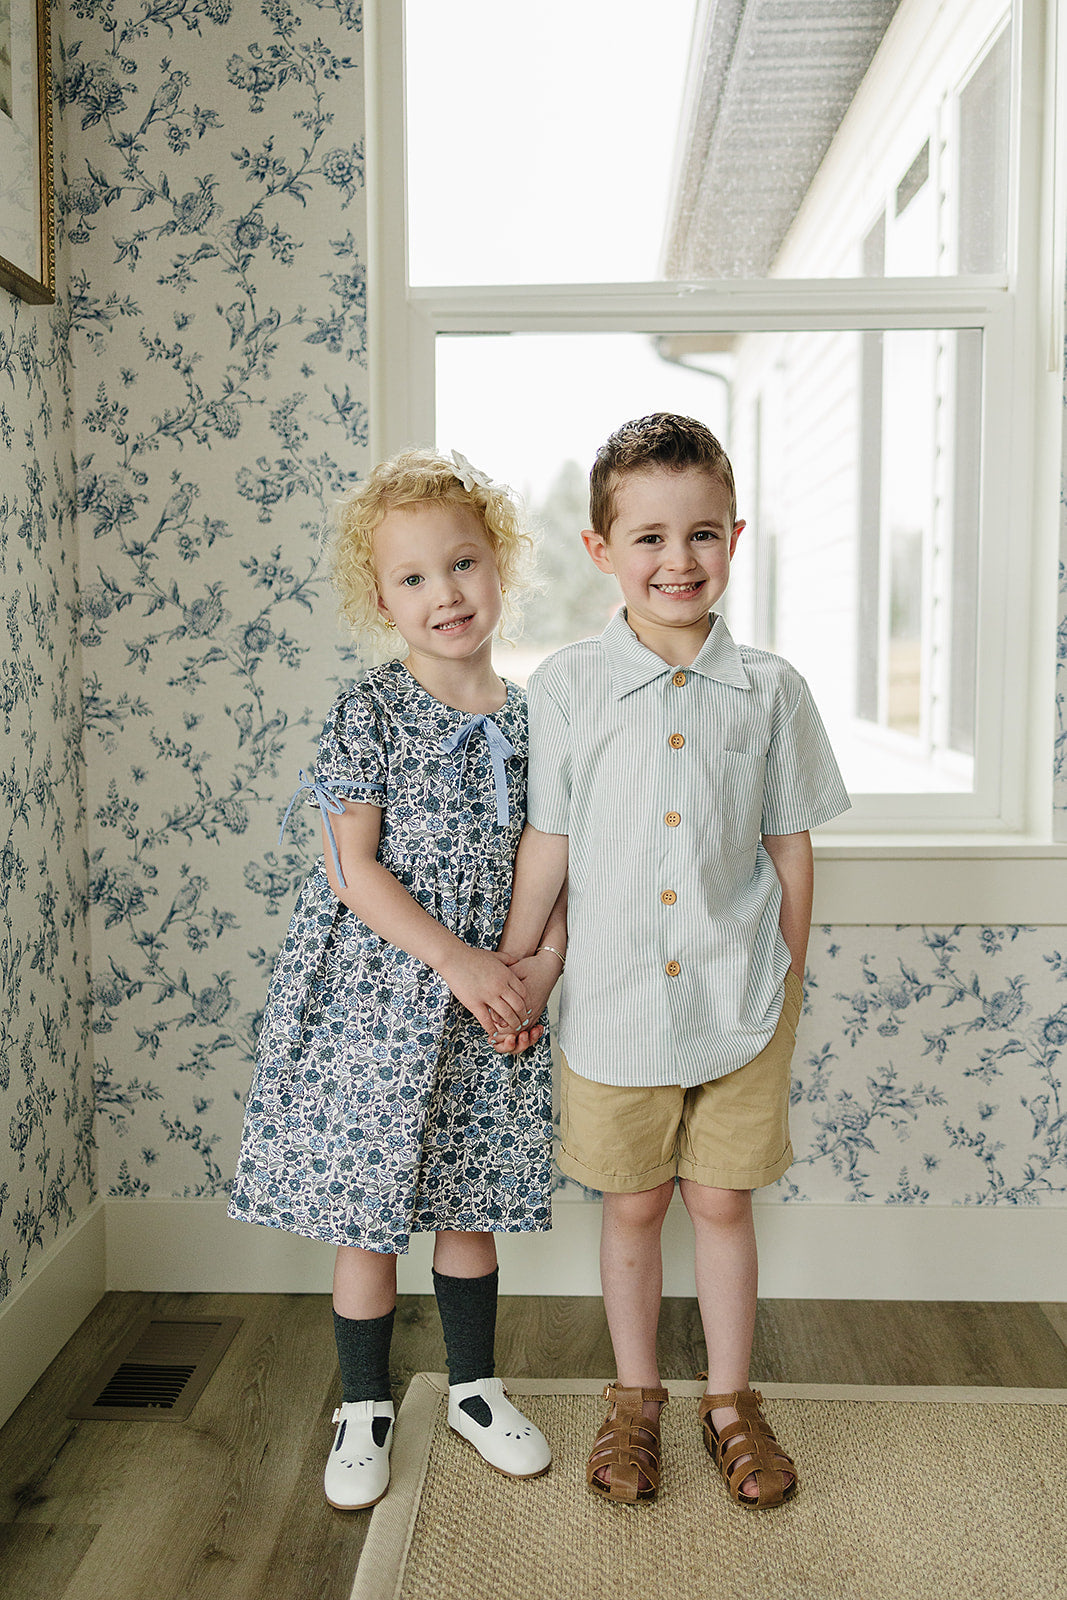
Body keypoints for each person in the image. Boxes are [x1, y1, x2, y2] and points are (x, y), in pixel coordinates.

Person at [497, 413, 849, 1508]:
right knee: (634, 1210)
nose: (676, 560)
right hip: (609, 1011)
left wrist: (783, 974)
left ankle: (731, 1402)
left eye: (700, 535)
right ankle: (635, 1398)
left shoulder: (771, 690)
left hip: (739, 999)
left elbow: (786, 844)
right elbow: (548, 839)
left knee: (721, 1206)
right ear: (602, 549)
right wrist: (514, 966)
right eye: (647, 537)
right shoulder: (565, 688)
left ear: (732, 539)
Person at [229, 447, 566, 1511]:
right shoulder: (367, 711)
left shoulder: (530, 719)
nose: (445, 593)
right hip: (376, 1002)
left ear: (498, 566)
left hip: (491, 1002)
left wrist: (532, 972)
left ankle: (472, 1386)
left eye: (462, 563)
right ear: (380, 599)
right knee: (369, 1217)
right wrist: (455, 958)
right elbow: (351, 865)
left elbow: (555, 859)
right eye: (414, 578)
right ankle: (365, 1404)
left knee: (467, 1207)